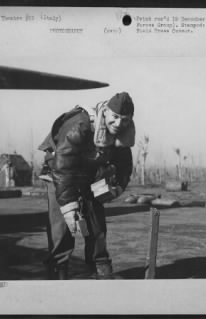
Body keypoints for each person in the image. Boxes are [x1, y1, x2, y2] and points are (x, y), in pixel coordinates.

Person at [37, 92, 135, 280]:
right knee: (63, 230)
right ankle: (58, 276)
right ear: (105, 111)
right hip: (60, 176)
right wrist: (68, 205)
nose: (118, 124)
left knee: (97, 229)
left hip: (89, 178)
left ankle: (100, 272)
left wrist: (117, 188)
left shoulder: (123, 131)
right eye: (114, 117)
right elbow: (63, 165)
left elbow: (124, 166)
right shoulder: (80, 124)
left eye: (125, 120)